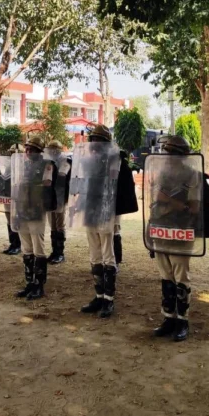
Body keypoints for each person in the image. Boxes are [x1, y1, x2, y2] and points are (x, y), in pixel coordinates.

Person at [147, 135, 209, 341]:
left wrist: (168, 201)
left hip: (181, 230)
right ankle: (168, 317)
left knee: (181, 278)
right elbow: (154, 205)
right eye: (167, 154)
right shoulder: (162, 175)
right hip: (161, 228)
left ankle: (182, 321)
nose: (168, 158)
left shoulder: (193, 176)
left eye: (172, 154)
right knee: (165, 276)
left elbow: (194, 208)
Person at [77, 124, 138, 318]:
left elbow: (119, 185)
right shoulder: (87, 160)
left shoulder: (115, 161)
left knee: (107, 255)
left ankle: (109, 299)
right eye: (92, 140)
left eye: (98, 140)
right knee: (95, 255)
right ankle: (99, 295)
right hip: (90, 210)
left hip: (106, 211)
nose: (94, 144)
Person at [13, 136, 56, 300]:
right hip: (23, 209)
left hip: (37, 210)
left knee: (38, 248)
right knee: (26, 249)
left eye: (31, 149)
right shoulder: (22, 165)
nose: (28, 151)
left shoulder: (47, 165)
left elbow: (46, 184)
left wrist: (28, 184)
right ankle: (29, 283)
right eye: (27, 149)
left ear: (39, 151)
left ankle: (39, 285)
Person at [44, 140, 71, 264]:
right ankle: (54, 251)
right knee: (53, 225)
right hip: (50, 196)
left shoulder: (64, 160)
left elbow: (62, 175)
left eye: (52, 149)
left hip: (59, 196)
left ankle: (60, 253)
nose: (51, 151)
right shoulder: (48, 160)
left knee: (59, 225)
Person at [0, 145, 22, 256]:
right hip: (8, 197)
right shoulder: (9, 166)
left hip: (17, 198)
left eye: (14, 152)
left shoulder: (23, 166)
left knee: (16, 221)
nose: (12, 154)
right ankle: (12, 244)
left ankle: (18, 245)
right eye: (11, 152)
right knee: (9, 221)